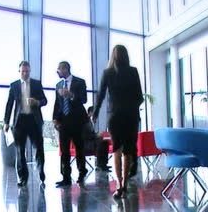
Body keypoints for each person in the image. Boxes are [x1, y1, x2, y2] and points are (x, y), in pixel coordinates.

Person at [93, 45, 144, 199]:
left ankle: (117, 185)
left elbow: (101, 95)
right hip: (131, 115)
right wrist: (132, 106)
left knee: (117, 149)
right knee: (128, 150)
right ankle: (125, 186)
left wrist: (95, 113)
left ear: (113, 56)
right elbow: (140, 96)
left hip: (114, 116)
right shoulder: (133, 71)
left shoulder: (108, 73)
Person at [4, 61, 47, 187]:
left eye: (27, 71)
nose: (25, 73)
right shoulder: (14, 86)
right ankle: (23, 178)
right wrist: (6, 122)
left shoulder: (36, 84)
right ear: (19, 72)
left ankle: (41, 172)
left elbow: (45, 100)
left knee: (39, 148)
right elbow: (9, 104)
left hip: (34, 121)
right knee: (20, 151)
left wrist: (37, 102)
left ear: (30, 71)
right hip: (19, 122)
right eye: (23, 71)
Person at [53, 61, 88, 187]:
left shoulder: (80, 82)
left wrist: (71, 95)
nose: (57, 72)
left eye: (59, 69)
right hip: (64, 121)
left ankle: (82, 171)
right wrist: (55, 119)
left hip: (77, 121)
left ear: (65, 69)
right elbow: (57, 103)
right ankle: (66, 177)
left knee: (79, 148)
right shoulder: (58, 85)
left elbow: (84, 99)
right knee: (64, 150)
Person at [86, 106, 111, 171]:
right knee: (101, 143)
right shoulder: (85, 122)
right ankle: (101, 164)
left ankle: (103, 164)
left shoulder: (89, 121)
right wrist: (96, 135)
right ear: (91, 112)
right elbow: (86, 134)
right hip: (86, 143)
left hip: (91, 140)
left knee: (104, 142)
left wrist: (97, 135)